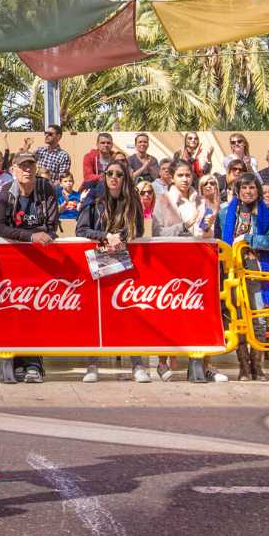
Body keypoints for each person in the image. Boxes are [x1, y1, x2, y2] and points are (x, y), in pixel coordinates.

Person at [76, 160, 152, 383]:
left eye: (119, 173)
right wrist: (105, 236)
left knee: (129, 312)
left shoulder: (132, 199)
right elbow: (82, 228)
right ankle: (92, 364)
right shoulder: (94, 197)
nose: (114, 177)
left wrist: (122, 238)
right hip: (99, 259)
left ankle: (137, 364)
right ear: (104, 175)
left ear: (125, 177)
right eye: (109, 173)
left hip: (125, 259)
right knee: (96, 313)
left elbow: (138, 227)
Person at [0, 151, 61, 385]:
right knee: (13, 311)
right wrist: (30, 237)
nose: (27, 169)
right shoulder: (7, 192)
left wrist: (38, 237)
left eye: (31, 165)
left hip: (40, 263)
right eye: (22, 166)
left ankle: (34, 362)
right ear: (13, 169)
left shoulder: (46, 189)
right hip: (12, 262)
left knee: (35, 312)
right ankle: (16, 360)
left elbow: (52, 227)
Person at [220, 173, 269, 381]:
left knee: (258, 318)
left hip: (258, 272)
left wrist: (250, 239)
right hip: (233, 272)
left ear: (258, 190)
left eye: (252, 188)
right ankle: (243, 366)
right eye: (244, 188)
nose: (248, 192)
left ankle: (258, 366)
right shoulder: (224, 214)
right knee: (237, 319)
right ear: (237, 191)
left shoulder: (267, 215)